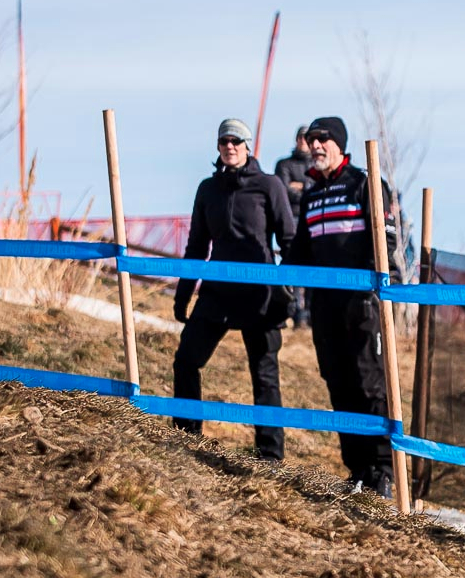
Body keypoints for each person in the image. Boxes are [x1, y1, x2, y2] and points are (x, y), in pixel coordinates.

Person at [285, 116, 401, 496]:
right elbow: (301, 248)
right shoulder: (313, 194)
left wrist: (381, 286)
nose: (315, 146)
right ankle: (359, 468)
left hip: (361, 302)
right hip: (324, 304)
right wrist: (278, 281)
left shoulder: (364, 184)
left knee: (369, 381)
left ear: (340, 145)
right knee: (337, 381)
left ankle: (384, 470)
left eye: (323, 140)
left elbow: (386, 241)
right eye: (312, 140)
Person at [172, 118, 296, 462]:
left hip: (261, 296)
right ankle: (186, 437)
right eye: (225, 141)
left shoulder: (268, 186)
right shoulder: (207, 190)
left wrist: (288, 292)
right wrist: (183, 295)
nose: (230, 146)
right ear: (218, 147)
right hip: (217, 293)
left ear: (248, 146)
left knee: (264, 373)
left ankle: (270, 456)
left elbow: (289, 241)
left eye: (237, 141)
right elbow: (197, 246)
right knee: (186, 361)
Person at [274, 126, 314, 328]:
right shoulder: (285, 165)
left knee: (315, 266)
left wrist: (301, 187)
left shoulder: (318, 164)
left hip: (314, 221)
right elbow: (282, 192)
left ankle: (311, 312)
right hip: (292, 220)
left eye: (308, 138)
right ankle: (296, 312)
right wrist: (309, 189)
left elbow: (319, 191)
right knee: (294, 265)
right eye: (301, 137)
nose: (305, 141)